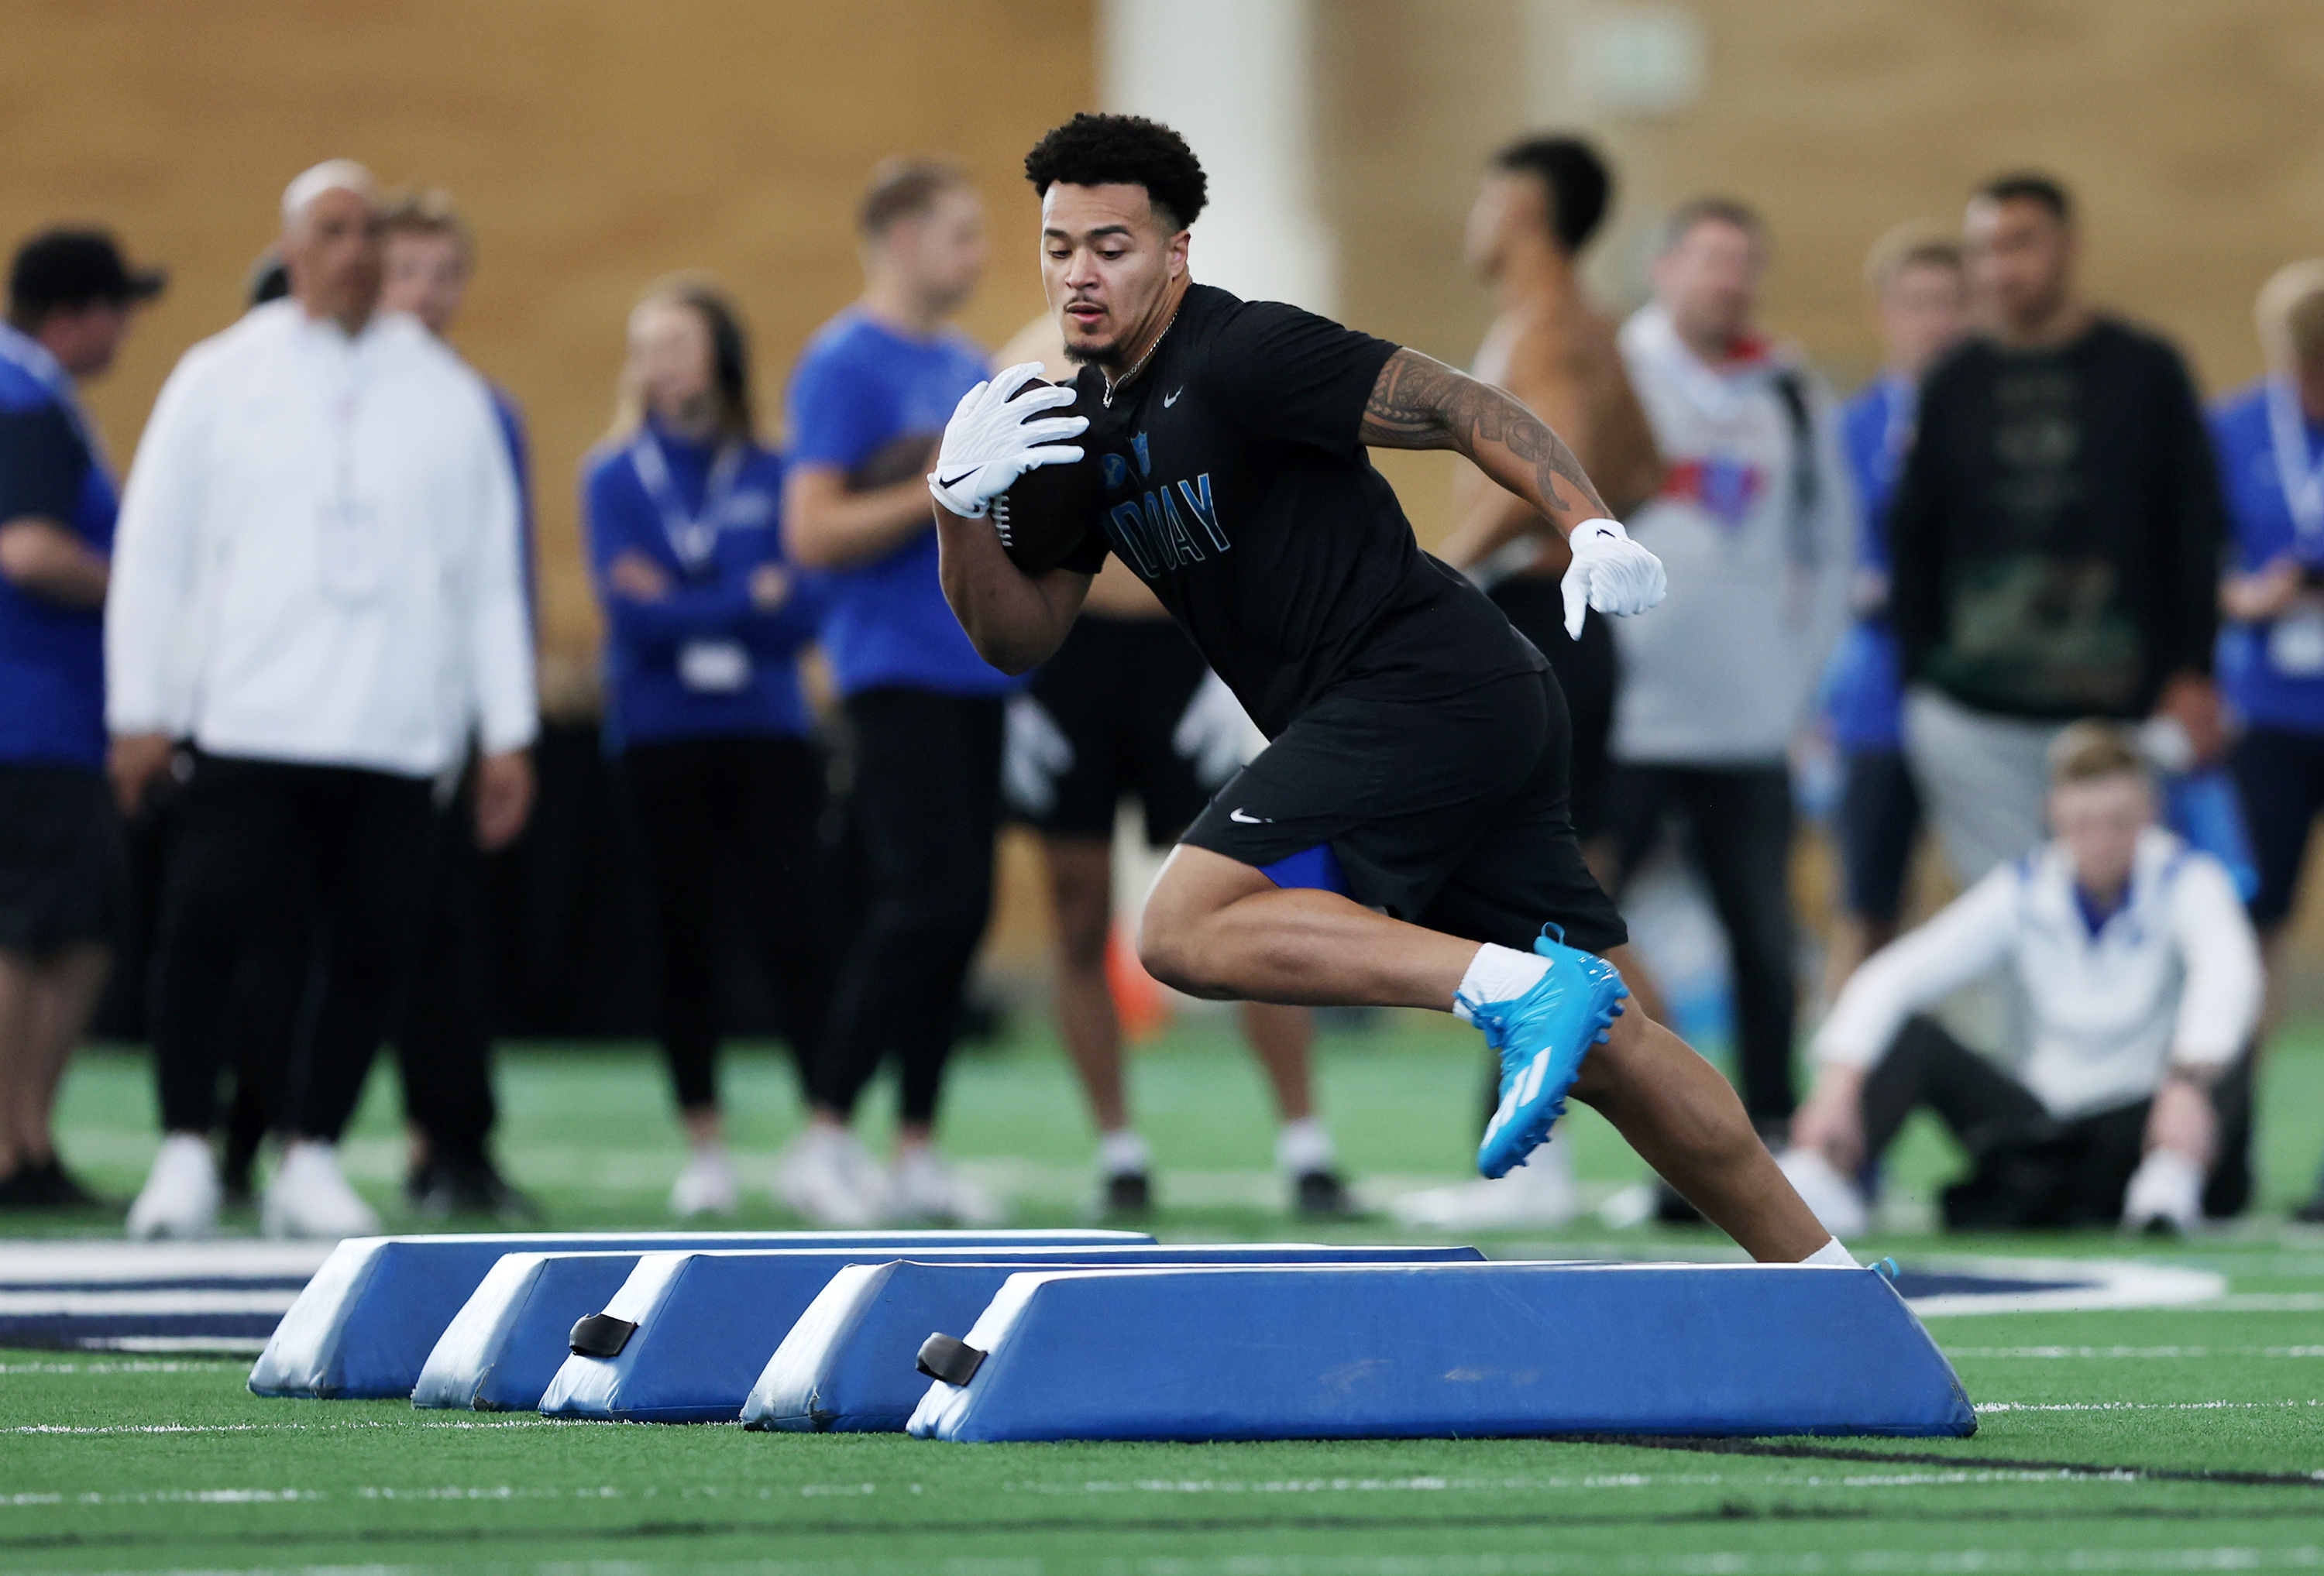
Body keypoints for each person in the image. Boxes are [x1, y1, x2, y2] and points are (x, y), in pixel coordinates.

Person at [931, 112, 1841, 1268]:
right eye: (1060, 246)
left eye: (1110, 245)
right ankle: (1830, 1281)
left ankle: (1514, 989)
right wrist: (956, 511)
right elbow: (1019, 638)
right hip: (1435, 706)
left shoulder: (1245, 350)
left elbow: (1466, 405)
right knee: (1619, 1038)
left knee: (1182, 924)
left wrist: (1586, 518)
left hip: (1426, 680)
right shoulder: (1064, 423)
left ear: (1176, 252)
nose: (1079, 273)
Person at [108, 160, 536, 1240]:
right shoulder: (216, 378)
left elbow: (490, 570)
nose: (356, 252)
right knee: (204, 933)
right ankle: (185, 1153)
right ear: (295, 250)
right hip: (248, 716)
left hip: (395, 731)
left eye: (369, 234)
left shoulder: (447, 395)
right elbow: (152, 555)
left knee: (371, 947)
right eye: (334, 233)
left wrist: (509, 732)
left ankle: (314, 1148)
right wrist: (138, 707)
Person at [992, 312, 1349, 1220]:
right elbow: (980, 525)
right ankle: (1118, 1146)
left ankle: (1306, 1142)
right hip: (1069, 657)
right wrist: (1007, 680)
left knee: (1250, 893)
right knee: (1077, 907)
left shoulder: (1203, 353)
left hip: (1181, 644)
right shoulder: (1021, 365)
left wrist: (1239, 652)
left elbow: (1262, 504)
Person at [1397, 132, 1663, 1231]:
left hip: (1532, 631)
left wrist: (1433, 574)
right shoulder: (1589, 323)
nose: (1475, 215)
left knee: (1520, 900)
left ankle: (1533, 1161)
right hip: (1570, 633)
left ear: (1524, 205)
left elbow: (1537, 473)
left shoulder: (1550, 325)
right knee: (1553, 901)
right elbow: (1635, 466)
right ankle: (1609, 1142)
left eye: (1486, 192)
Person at [778, 159, 1009, 1227]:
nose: (979, 254)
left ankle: (916, 1143)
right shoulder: (844, 362)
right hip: (889, 666)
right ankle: (825, 1130)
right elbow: (812, 530)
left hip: (973, 663)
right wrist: (935, 490)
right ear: (904, 237)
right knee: (922, 898)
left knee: (964, 911)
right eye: (961, 234)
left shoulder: (967, 362)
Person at [1786, 723, 2260, 1235]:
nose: (2101, 841)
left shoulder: (2190, 879)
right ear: (2053, 814)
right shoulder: (2025, 887)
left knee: (2229, 1050)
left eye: (2118, 823)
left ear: (2149, 813)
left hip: (2153, 1114)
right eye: (2083, 823)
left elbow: (2230, 974)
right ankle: (1826, 1172)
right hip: (2054, 1123)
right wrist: (1837, 1085)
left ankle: (2171, 1178)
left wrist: (2187, 1084)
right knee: (1914, 1039)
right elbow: (1897, 974)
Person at [1889, 173, 2225, 888]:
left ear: (2068, 249)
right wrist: (1921, 675)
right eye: (1984, 250)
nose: (2000, 268)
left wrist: (2194, 669)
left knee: (2121, 909)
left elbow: (2195, 524)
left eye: (2020, 245)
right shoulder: (1952, 380)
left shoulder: (2146, 370)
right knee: (2011, 913)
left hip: (2119, 708)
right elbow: (1914, 532)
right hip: (1974, 711)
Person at [1607, 197, 1856, 1140]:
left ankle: (1774, 1134)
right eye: (1709, 260)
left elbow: (1832, 547)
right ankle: (1533, 1144)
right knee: (1557, 926)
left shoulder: (1790, 390)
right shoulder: (1612, 371)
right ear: (1664, 268)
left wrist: (1796, 677)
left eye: (1744, 262)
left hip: (1747, 719)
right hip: (1624, 717)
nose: (1728, 280)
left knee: (1762, 937)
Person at [588, 277, 829, 1219]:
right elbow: (628, 618)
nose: (662, 366)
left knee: (795, 933)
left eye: (679, 345)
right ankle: (705, 1144)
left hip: (768, 730)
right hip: (658, 732)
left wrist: (689, 603)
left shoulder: (775, 471)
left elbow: (803, 607)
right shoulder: (614, 476)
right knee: (677, 938)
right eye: (648, 347)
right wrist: (744, 596)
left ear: (720, 359)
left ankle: (824, 1130)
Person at [376, 185, 538, 1220]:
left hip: (436, 712)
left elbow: (501, 575)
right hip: (329, 713)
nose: (426, 296)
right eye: (406, 273)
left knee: (441, 931)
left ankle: (453, 1137)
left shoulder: (483, 410)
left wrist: (503, 721)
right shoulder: (326, 398)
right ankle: (251, 1135)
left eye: (443, 274)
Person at [0, 229, 161, 1207]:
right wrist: (144, 592)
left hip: (46, 711)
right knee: (29, 928)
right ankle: (11, 1145)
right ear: (74, 314)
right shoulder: (26, 400)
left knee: (79, 923)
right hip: (31, 709)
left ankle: (26, 1139)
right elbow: (25, 551)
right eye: (118, 307)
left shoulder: (32, 396)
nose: (127, 327)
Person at [1820, 229, 1968, 996]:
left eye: (1951, 304)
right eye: (1919, 304)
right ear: (1886, 314)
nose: (1936, 322)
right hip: (1879, 694)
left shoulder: (2001, 425)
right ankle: (1841, 1091)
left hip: (1983, 686)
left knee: (1998, 884)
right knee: (1866, 900)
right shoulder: (1847, 429)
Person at [2208, 259, 2324, 1222]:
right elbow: (2185, 561)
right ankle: (2226, 1154)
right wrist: (2242, 598)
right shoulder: (2238, 428)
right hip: (2270, 717)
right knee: (2254, 936)